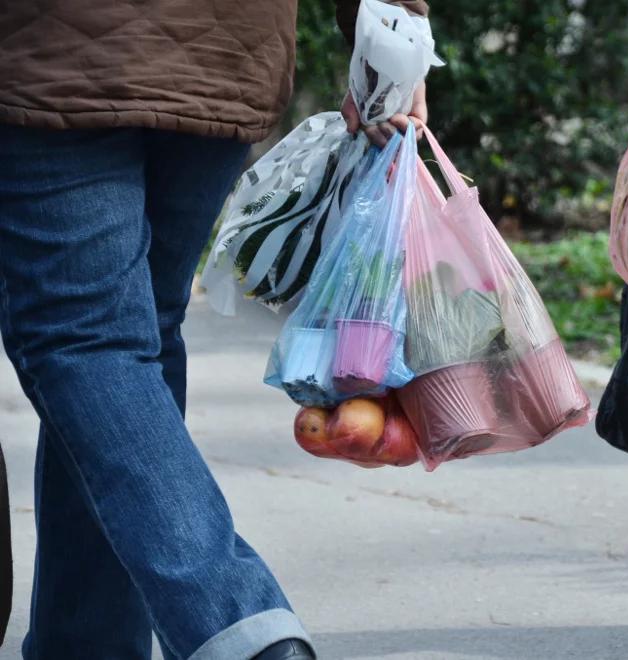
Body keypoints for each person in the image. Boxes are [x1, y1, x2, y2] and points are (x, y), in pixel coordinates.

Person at [0, 0, 428, 657]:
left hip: (50, 52)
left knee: (88, 340)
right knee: (130, 340)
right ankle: (88, 645)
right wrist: (393, 38)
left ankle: (236, 624)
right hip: (224, 51)